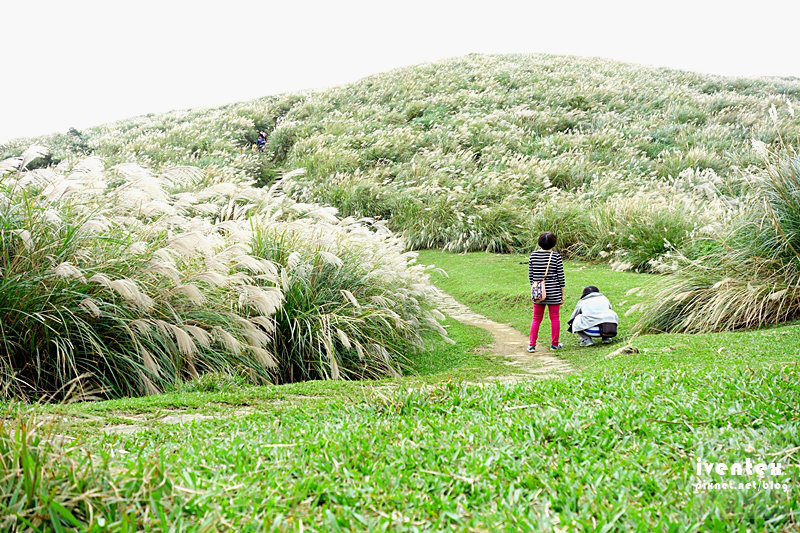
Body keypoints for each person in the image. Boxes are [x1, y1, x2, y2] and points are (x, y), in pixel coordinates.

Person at [528, 231, 565, 352]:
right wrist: (562, 294)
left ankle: (532, 345)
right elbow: (561, 277)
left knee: (536, 318)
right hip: (554, 292)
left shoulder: (533, 255)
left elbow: (531, 276)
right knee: (555, 318)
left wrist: (535, 289)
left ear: (539, 242)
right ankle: (554, 344)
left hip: (538, 292)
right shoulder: (556, 256)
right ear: (554, 243)